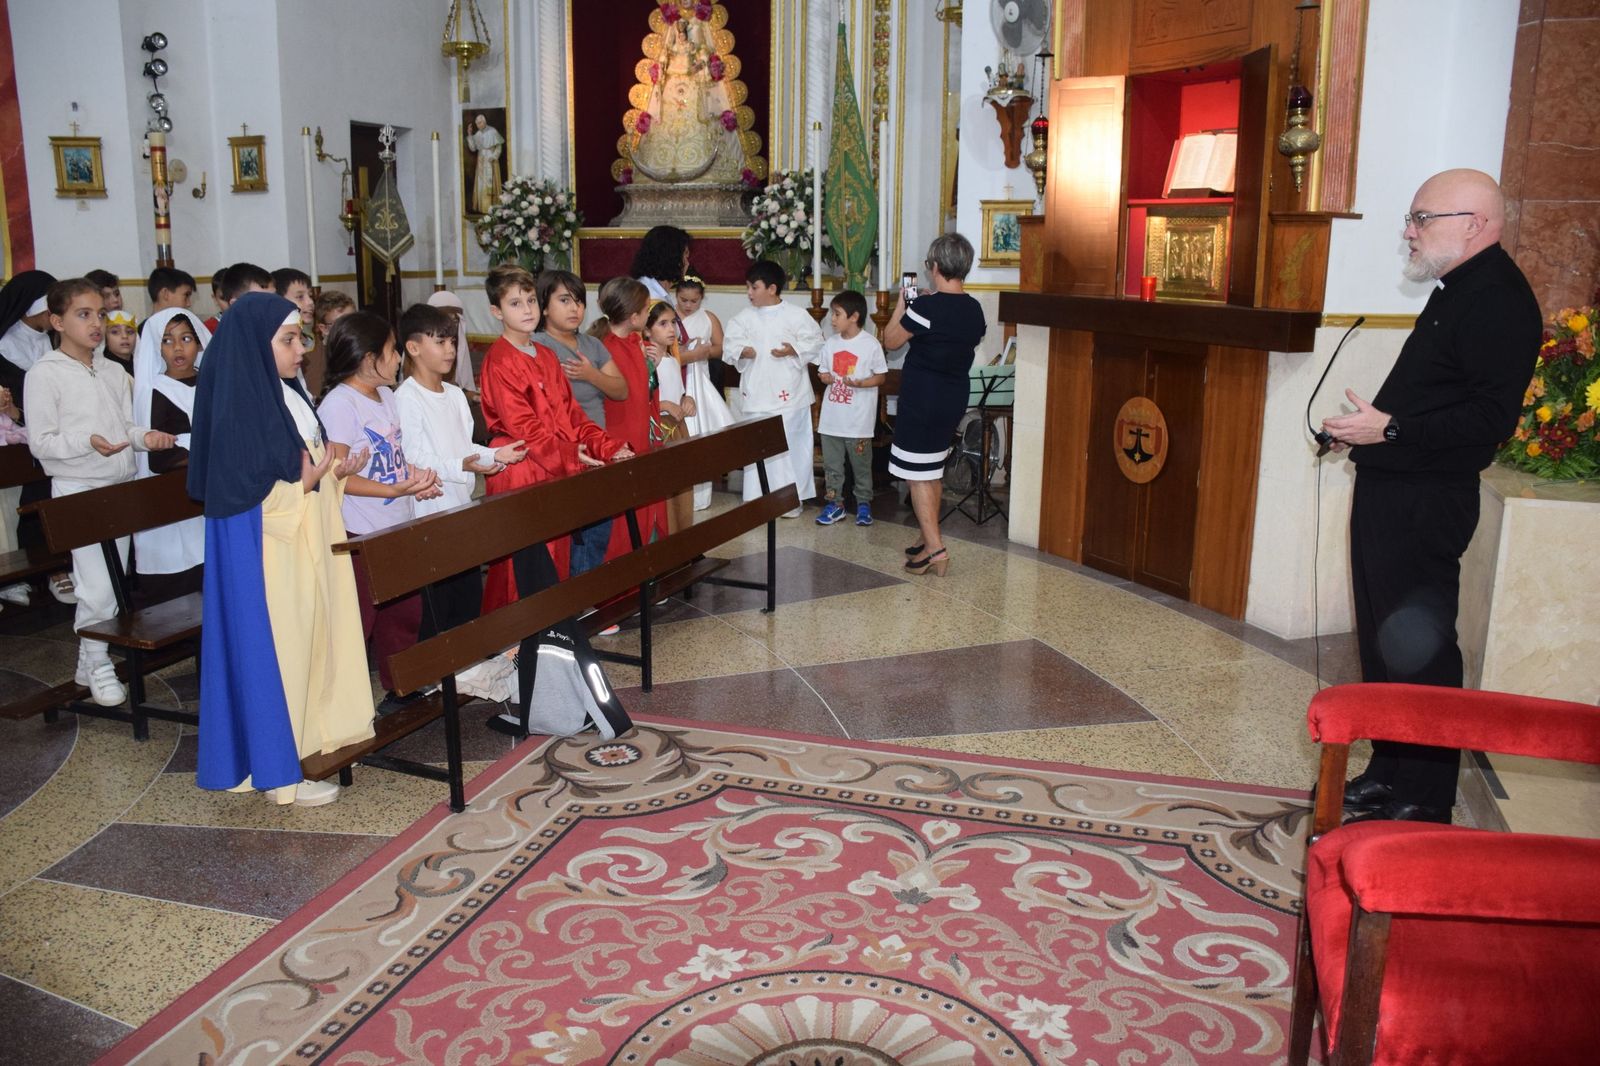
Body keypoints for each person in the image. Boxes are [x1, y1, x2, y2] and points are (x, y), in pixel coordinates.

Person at [1322, 169, 1541, 825]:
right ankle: (1390, 772)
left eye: (1422, 218)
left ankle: (1424, 795)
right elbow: (1436, 397)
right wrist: (1368, 430)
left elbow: (1489, 419)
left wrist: (1390, 429)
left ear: (1473, 225)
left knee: (1423, 649)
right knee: (1386, 643)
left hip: (1427, 500)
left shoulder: (1498, 299)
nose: (1409, 231)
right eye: (1411, 218)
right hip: (1396, 488)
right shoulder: (1459, 288)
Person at [187, 291, 373, 807]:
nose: (301, 350)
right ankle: (280, 768)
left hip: (308, 540)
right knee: (284, 651)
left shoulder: (288, 392)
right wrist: (306, 483)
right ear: (255, 345)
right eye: (288, 340)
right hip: (270, 556)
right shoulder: (239, 406)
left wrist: (334, 474)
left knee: (315, 639)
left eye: (300, 338)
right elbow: (245, 495)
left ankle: (316, 738)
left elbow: (303, 464)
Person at [25, 279, 175, 705]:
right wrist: (86, 442)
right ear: (57, 322)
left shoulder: (111, 370)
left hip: (117, 488)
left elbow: (125, 428)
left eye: (100, 314)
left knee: (113, 581)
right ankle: (100, 664)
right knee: (97, 587)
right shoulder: (44, 373)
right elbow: (41, 443)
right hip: (77, 489)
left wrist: (146, 438)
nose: (96, 324)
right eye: (83, 315)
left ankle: (88, 659)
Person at [477, 264, 633, 611]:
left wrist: (607, 447)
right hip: (520, 468)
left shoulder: (547, 355)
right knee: (520, 567)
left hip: (554, 467)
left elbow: (573, 416)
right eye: (515, 303)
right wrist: (572, 455)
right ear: (496, 312)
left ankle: (554, 629)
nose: (527, 310)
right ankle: (515, 635)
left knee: (557, 555)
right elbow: (525, 428)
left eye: (531, 300)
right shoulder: (500, 360)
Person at [393, 302, 524, 702]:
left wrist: (494, 456)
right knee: (438, 599)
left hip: (460, 507)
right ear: (413, 347)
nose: (450, 350)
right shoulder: (407, 397)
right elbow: (414, 456)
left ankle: (464, 669)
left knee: (466, 594)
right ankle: (430, 676)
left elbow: (464, 446)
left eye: (452, 341)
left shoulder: (453, 395)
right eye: (440, 342)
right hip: (429, 512)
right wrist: (460, 464)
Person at [317, 312, 442, 708]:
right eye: (392, 351)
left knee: (403, 610)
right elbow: (336, 474)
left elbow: (392, 457)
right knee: (361, 617)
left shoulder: (386, 395)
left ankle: (400, 685)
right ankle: (344, 701)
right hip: (360, 529)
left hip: (395, 522)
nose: (398, 359)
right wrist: (391, 488)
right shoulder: (340, 404)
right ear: (368, 358)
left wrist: (415, 478)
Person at [882, 233, 987, 577]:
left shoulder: (925, 308)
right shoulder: (974, 308)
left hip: (923, 398)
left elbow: (890, 340)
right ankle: (927, 539)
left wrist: (903, 305)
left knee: (917, 476)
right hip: (953, 396)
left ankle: (936, 550)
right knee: (931, 470)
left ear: (936, 266)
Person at [531, 269, 628, 576]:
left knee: (596, 531)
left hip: (598, 447)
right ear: (545, 307)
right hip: (560, 453)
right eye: (564, 300)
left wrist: (591, 375)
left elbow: (621, 390)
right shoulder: (537, 345)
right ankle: (570, 595)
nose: (575, 308)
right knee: (565, 536)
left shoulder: (592, 345)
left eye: (579, 301)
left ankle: (586, 592)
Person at [721, 260, 825, 518]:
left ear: (772, 288)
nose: (749, 292)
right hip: (757, 393)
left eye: (754, 287)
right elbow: (729, 346)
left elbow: (816, 342)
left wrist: (794, 350)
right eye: (747, 287)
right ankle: (757, 500)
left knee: (791, 446)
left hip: (790, 395)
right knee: (758, 446)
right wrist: (742, 351)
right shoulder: (743, 318)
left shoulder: (797, 315)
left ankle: (789, 501)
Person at [0, 270, 74, 607]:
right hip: (16, 442)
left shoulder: (54, 340)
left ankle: (58, 565)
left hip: (53, 436)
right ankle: (26, 571)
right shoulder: (5, 345)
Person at [131, 308, 212, 605]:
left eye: (186, 338)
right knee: (179, 595)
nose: (178, 348)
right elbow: (158, 460)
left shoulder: (212, 382)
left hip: (209, 500)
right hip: (170, 502)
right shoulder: (153, 390)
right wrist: (206, 453)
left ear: (199, 342)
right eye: (167, 340)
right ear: (156, 347)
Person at [592, 277, 668, 552]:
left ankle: (645, 562)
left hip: (640, 434)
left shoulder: (635, 342)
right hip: (621, 436)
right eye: (647, 309)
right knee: (624, 516)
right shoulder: (606, 348)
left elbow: (644, 393)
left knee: (644, 507)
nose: (649, 313)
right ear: (634, 317)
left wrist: (652, 366)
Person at [815, 290, 888, 527]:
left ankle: (864, 505)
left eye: (837, 314)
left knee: (861, 466)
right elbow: (823, 372)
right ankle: (835, 504)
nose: (833, 319)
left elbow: (881, 376)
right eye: (832, 314)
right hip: (832, 420)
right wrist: (825, 377)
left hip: (858, 421)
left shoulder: (870, 344)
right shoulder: (831, 343)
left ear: (854, 317)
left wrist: (861, 383)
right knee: (832, 466)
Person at [674, 275, 732, 510]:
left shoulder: (708, 318)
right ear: (676, 296)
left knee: (700, 430)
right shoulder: (668, 316)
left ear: (702, 298)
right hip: (677, 378)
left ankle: (700, 496)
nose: (688, 305)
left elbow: (721, 348)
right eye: (683, 300)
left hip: (700, 379)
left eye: (694, 301)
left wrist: (704, 351)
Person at [643, 299, 697, 533]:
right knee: (665, 493)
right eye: (662, 324)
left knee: (682, 489)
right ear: (647, 330)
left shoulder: (672, 360)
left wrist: (687, 400)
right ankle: (667, 537)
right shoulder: (647, 361)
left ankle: (682, 537)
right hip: (660, 430)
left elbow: (678, 392)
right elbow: (640, 397)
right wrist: (663, 404)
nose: (671, 329)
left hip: (678, 429)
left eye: (673, 322)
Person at [305, 289, 357, 398]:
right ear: (324, 329)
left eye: (352, 320)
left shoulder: (364, 351)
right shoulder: (313, 361)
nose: (349, 328)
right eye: (340, 324)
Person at [425, 290, 477, 390]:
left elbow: (463, 385)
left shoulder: (457, 344)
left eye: (454, 320)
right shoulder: (421, 346)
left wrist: (471, 395)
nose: (450, 326)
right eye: (445, 320)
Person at [630, 224, 693, 304]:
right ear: (672, 259)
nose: (687, 264)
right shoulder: (650, 298)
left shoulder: (656, 290)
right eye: (685, 256)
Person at [467, 113, 504, 216]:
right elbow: (473, 148)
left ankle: (493, 207)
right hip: (481, 161)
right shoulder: (478, 134)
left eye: (480, 123)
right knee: (481, 184)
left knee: (491, 183)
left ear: (484, 122)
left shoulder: (492, 131)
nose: (478, 125)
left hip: (491, 161)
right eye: (477, 124)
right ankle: (483, 207)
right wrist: (470, 135)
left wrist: (494, 156)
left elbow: (499, 147)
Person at [203, 266, 228, 333]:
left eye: (237, 297)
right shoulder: (208, 327)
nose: (230, 302)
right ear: (215, 299)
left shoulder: (250, 322)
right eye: (223, 298)